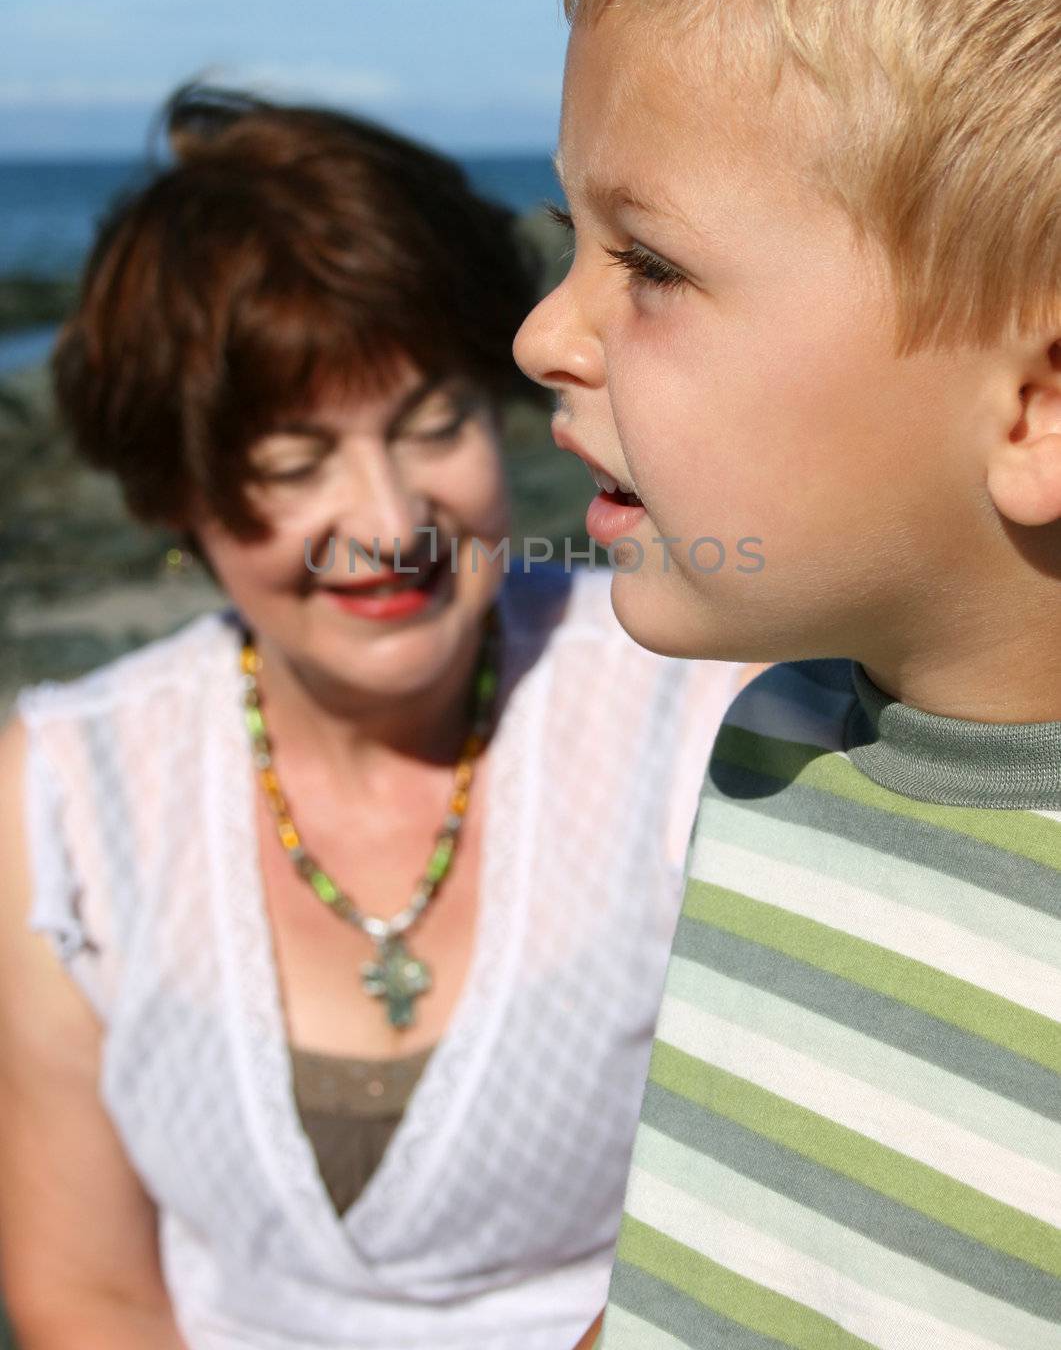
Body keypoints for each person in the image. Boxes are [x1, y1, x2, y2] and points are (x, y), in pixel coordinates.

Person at [0, 87, 752, 1350]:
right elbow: (89, 1292)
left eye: (432, 423)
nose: (389, 515)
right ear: (177, 489)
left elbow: (750, 1249)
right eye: (295, 465)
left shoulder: (703, 715)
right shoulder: (58, 800)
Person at [513, 0, 1061, 1346]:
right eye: (571, 242)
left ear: (1036, 410)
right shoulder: (782, 741)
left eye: (652, 264)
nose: (549, 329)